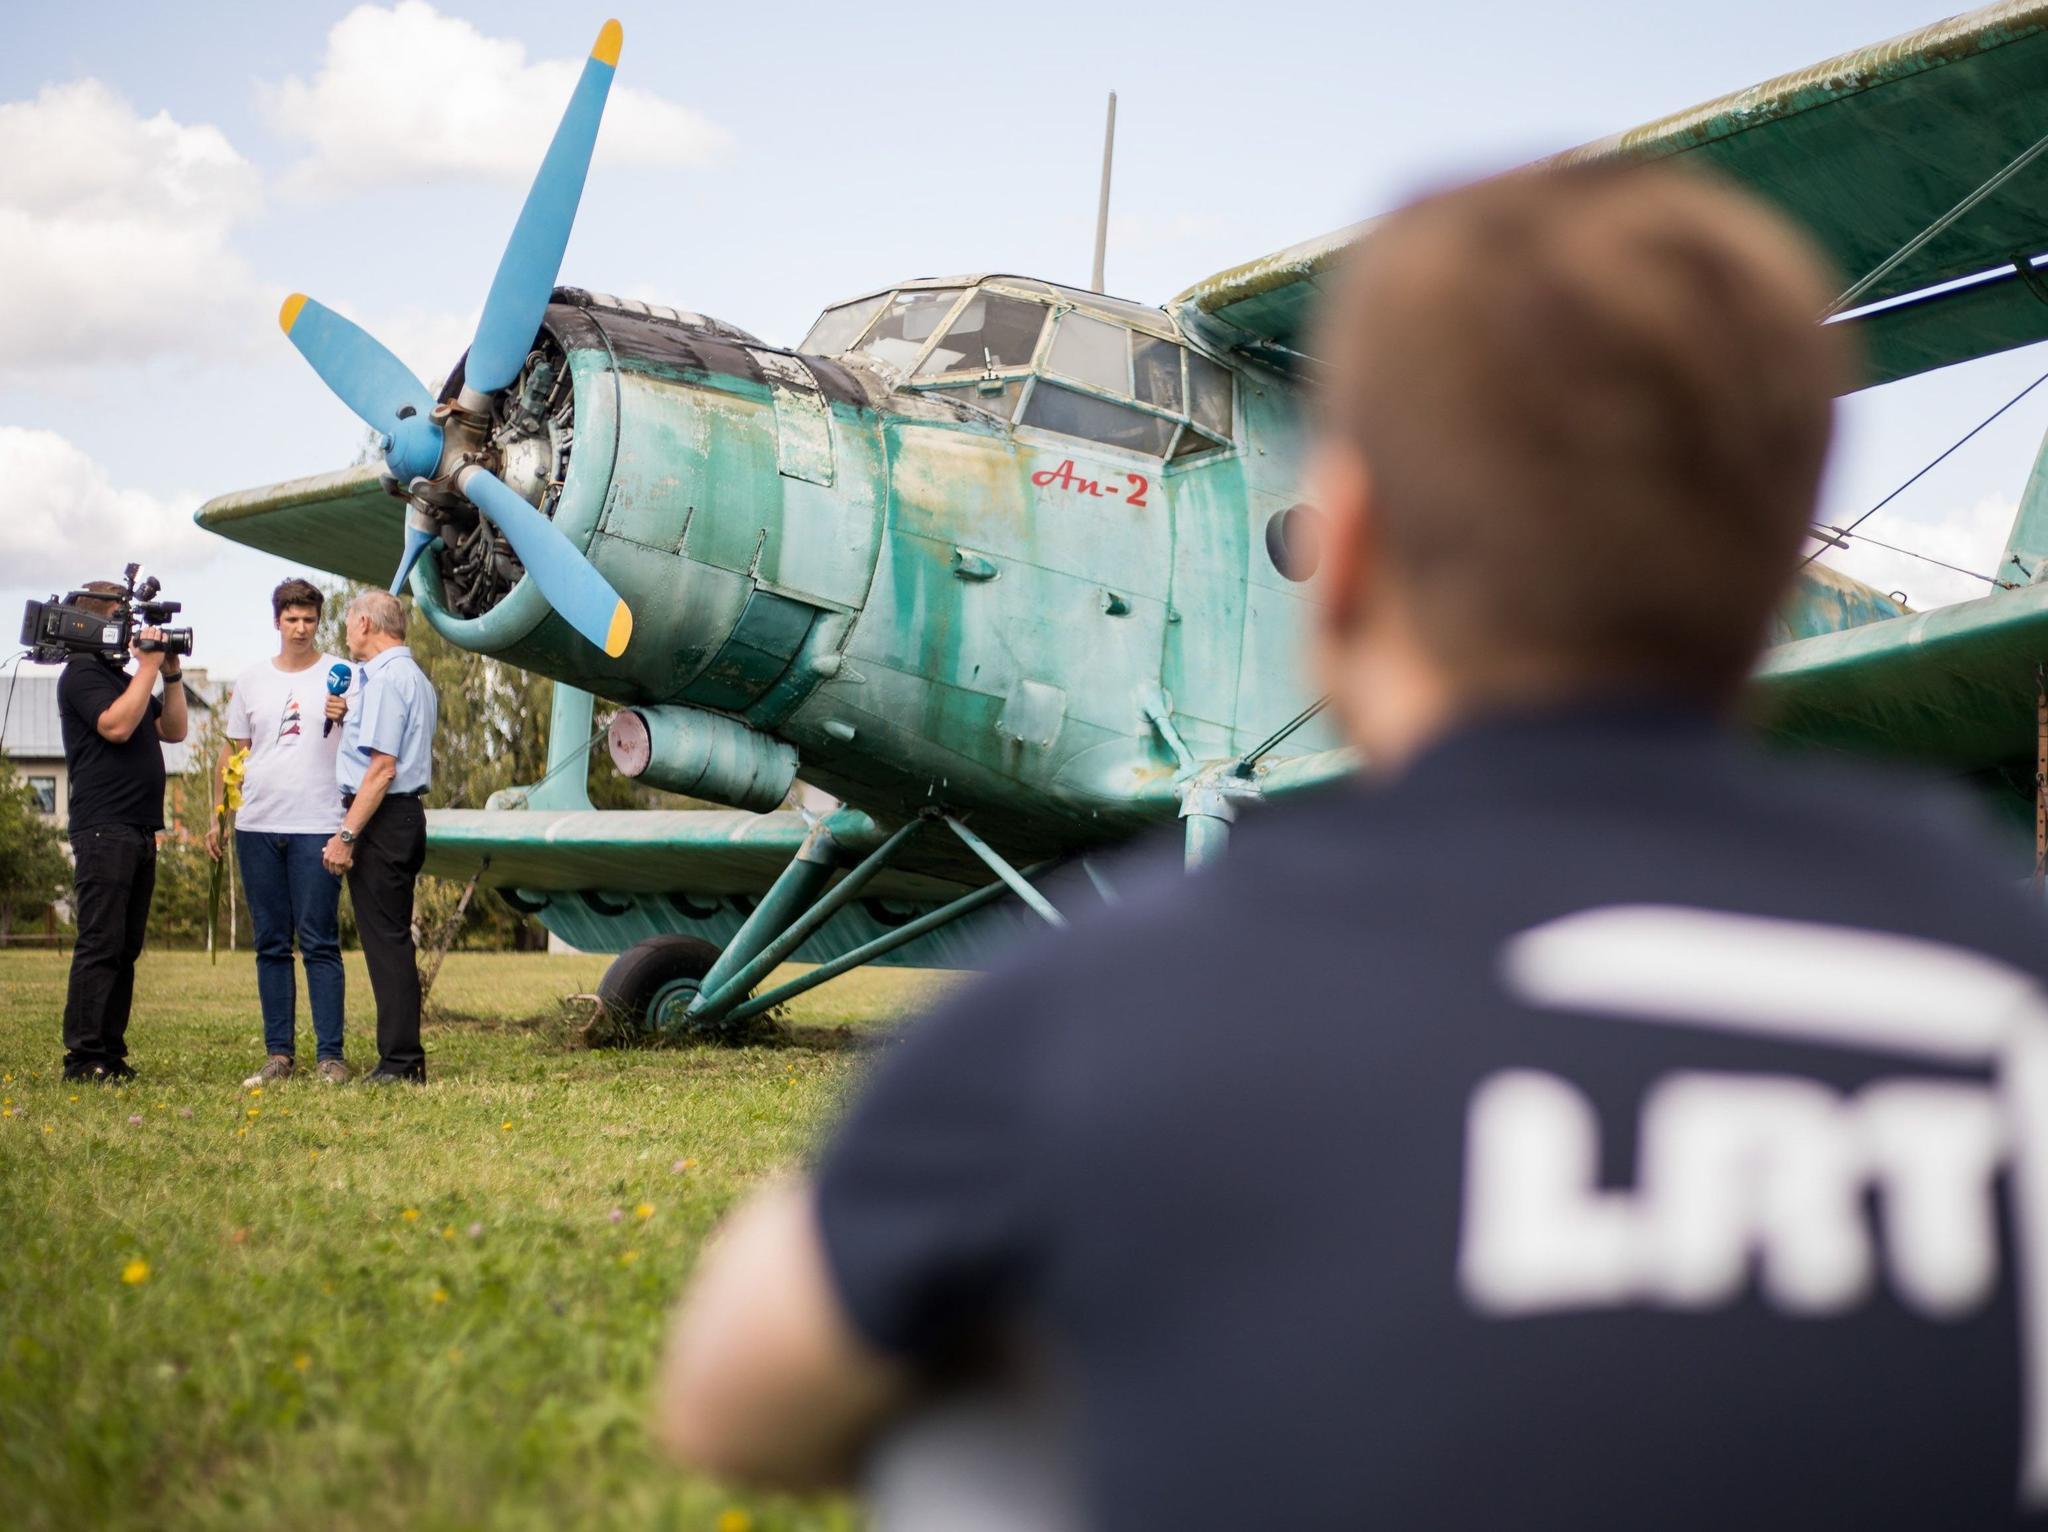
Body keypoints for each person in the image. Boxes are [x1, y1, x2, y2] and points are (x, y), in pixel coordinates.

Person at [654, 164, 2048, 1529]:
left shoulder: (1099, 1012)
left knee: (973, 1428)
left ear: (1348, 552)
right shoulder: (2012, 989)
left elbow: (725, 1404)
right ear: (1761, 576)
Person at [208, 578, 357, 1086]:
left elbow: (369, 745)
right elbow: (233, 753)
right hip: (256, 825)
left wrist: (349, 717)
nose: (300, 627)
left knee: (319, 941)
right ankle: (279, 1056)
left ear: (319, 622)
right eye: (291, 619)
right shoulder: (250, 680)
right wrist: (217, 814)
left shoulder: (343, 674)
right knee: (271, 944)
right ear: (277, 622)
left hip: (318, 824)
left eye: (309, 619)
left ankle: (330, 1058)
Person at [56, 580, 188, 1082]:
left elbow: (173, 730)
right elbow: (115, 726)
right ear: (94, 621)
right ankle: (83, 1057)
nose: (130, 628)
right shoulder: (81, 674)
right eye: (120, 616)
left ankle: (109, 1053)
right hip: (102, 829)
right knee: (100, 943)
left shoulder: (118, 676)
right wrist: (147, 668)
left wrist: (169, 675)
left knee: (125, 948)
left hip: (138, 829)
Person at [322, 589, 437, 1084]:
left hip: (383, 819)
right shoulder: (406, 678)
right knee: (390, 942)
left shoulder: (388, 680)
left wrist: (347, 834)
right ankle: (399, 1058)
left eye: (347, 623)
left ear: (366, 623)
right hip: (400, 818)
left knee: (386, 944)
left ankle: (401, 1062)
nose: (345, 633)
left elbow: (383, 768)